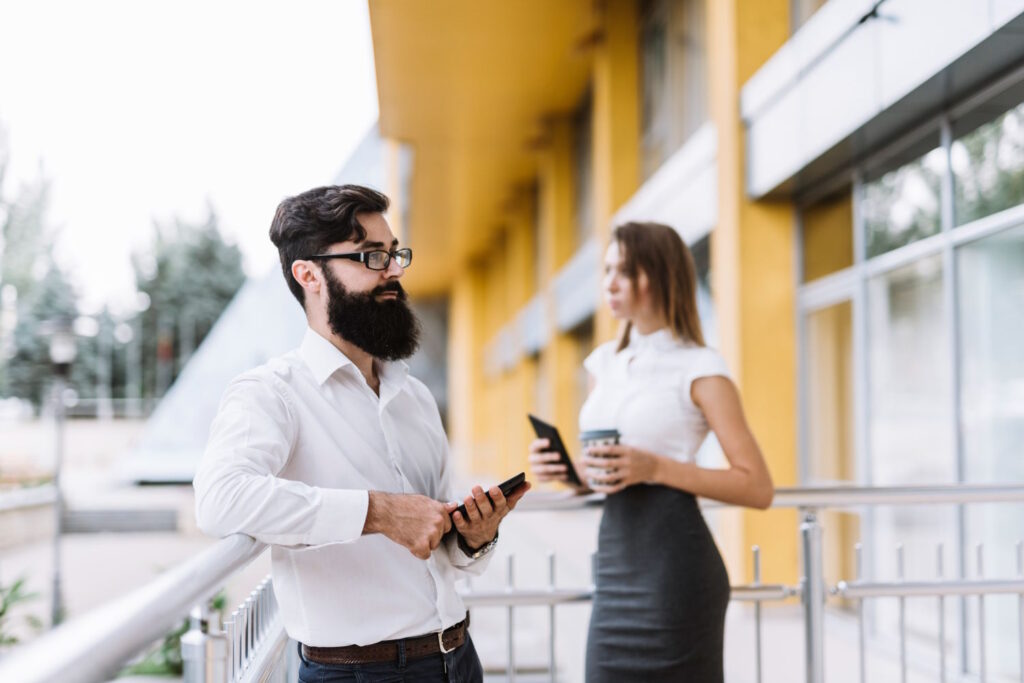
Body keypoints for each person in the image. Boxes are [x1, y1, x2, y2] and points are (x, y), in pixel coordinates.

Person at [194, 184, 530, 683]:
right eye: (372, 256)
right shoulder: (271, 393)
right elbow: (220, 500)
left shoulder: (413, 397)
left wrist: (474, 538)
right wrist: (378, 512)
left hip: (459, 658)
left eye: (395, 254)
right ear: (308, 274)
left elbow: (440, 548)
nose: (394, 270)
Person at [528, 221, 773, 682]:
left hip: (676, 574)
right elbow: (612, 470)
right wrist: (569, 471)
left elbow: (758, 487)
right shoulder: (606, 363)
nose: (610, 282)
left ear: (659, 275)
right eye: (607, 270)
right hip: (617, 568)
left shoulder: (701, 368)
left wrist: (656, 467)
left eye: (626, 270)